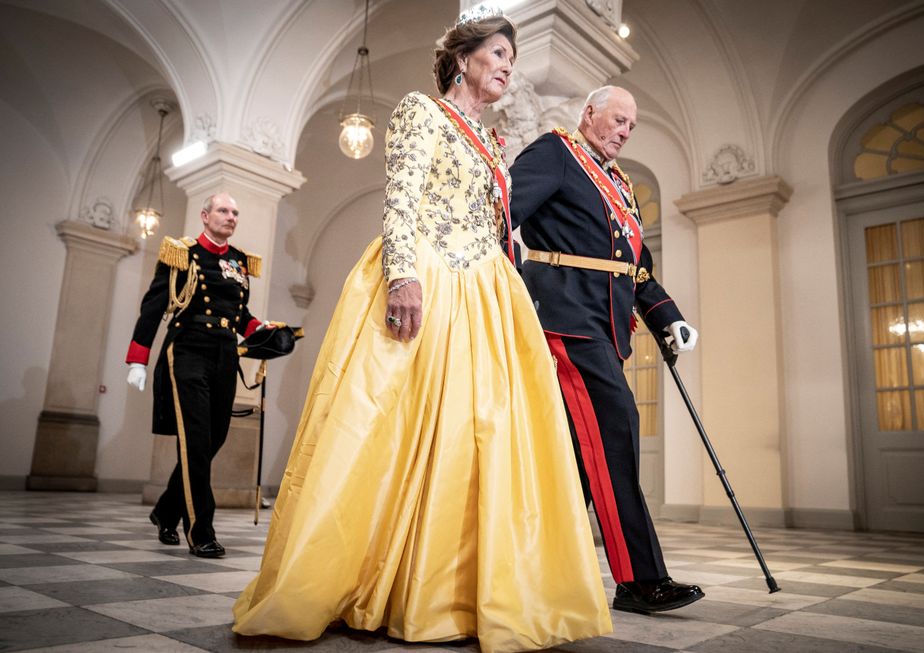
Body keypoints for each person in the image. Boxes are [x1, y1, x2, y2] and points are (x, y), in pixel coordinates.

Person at [232, 11, 611, 653]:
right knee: (391, 426)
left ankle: (458, 590)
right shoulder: (421, 111)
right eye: (497, 53)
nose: (508, 67)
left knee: (481, 433)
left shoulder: (494, 142)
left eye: (512, 59)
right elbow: (401, 196)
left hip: (485, 290)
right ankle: (372, 579)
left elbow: (497, 226)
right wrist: (403, 275)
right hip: (428, 273)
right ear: (462, 59)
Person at [508, 86, 705, 615]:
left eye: (631, 126)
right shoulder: (555, 152)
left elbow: (636, 265)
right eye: (617, 119)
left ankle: (539, 569)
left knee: (573, 458)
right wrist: (508, 292)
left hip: (608, 328)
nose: (623, 130)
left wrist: (668, 316)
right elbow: (501, 214)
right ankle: (640, 579)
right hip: (567, 323)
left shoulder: (619, 185)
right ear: (589, 114)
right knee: (617, 429)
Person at [126, 192, 267, 559]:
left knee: (213, 438)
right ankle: (200, 530)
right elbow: (154, 305)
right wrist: (138, 359)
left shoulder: (238, 261)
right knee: (195, 440)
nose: (231, 216)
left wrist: (264, 332)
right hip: (188, 349)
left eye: (235, 212)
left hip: (223, 353)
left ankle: (165, 510)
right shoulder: (181, 252)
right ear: (205, 216)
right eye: (223, 210)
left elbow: (240, 314)